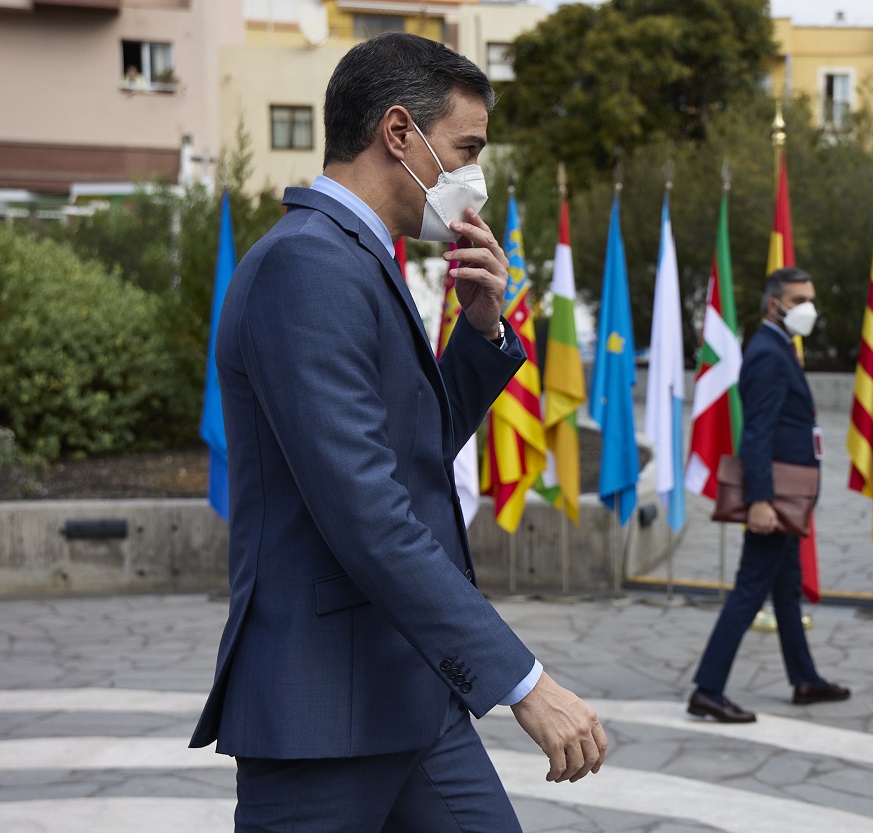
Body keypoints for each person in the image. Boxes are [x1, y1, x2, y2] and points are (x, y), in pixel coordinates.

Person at [190, 33, 607, 832]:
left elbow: (406, 451)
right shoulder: (307, 264)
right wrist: (523, 681)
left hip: (408, 691)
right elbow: (367, 509)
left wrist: (481, 334)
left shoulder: (356, 257)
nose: (473, 178)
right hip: (324, 712)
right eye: (467, 148)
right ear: (397, 134)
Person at [687, 267, 852, 724]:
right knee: (749, 590)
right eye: (799, 300)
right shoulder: (767, 353)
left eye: (810, 299)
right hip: (775, 499)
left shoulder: (780, 347)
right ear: (773, 304)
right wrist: (760, 501)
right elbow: (756, 433)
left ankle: (805, 679)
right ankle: (708, 689)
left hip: (786, 497)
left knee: (785, 588)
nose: (808, 309)